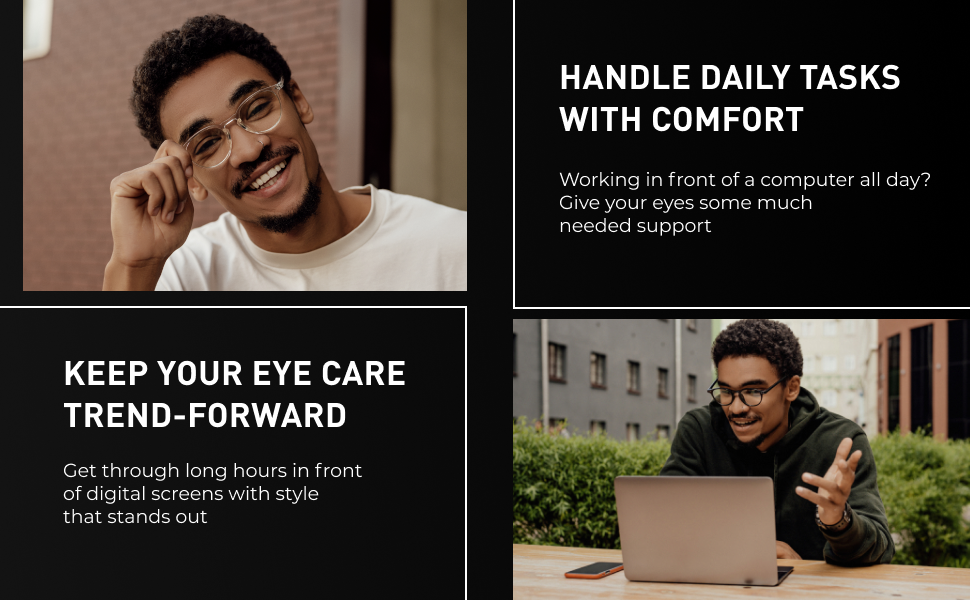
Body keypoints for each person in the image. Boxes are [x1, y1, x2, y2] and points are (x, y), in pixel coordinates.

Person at [104, 15, 466, 291]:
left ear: (298, 100)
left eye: (257, 108)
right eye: (208, 143)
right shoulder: (185, 275)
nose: (249, 149)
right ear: (192, 181)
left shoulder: (452, 247)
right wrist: (134, 266)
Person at [659, 319, 894, 566]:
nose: (736, 408)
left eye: (753, 391)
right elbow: (664, 523)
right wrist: (748, 547)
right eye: (726, 391)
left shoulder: (840, 441)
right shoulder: (699, 431)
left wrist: (838, 520)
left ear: (791, 388)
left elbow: (881, 551)